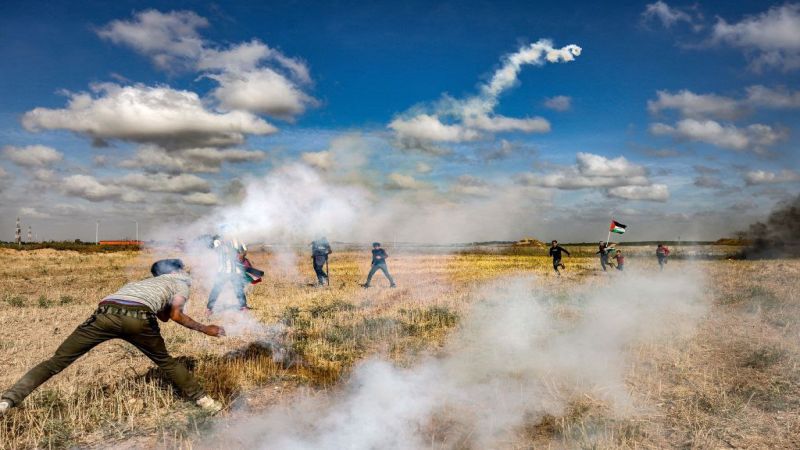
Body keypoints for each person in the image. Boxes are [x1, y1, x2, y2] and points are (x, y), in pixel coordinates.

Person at [0, 259, 225, 417]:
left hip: (104, 313)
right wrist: (205, 328)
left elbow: (162, 315)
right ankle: (205, 402)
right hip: (138, 318)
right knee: (166, 362)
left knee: (56, 362)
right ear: (178, 270)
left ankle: (7, 400)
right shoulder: (181, 282)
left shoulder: (139, 283)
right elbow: (174, 315)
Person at [206, 234, 250, 314]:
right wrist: (225, 243)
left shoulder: (237, 239)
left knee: (239, 289)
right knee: (216, 289)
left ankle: (243, 306)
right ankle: (209, 308)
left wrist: (242, 254)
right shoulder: (217, 241)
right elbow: (218, 250)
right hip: (223, 271)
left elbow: (244, 249)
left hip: (236, 270)